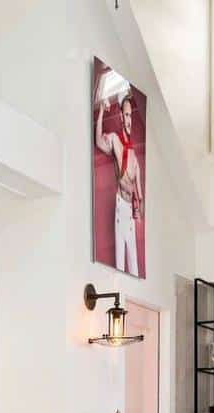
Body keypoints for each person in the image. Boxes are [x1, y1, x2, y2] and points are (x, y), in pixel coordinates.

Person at [95, 91, 143, 276]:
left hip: (130, 214)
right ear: (121, 117)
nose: (130, 119)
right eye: (127, 115)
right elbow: (99, 141)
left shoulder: (134, 156)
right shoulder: (115, 140)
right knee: (120, 270)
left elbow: (140, 195)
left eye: (132, 115)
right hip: (120, 208)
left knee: (135, 271)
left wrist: (139, 209)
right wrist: (101, 111)